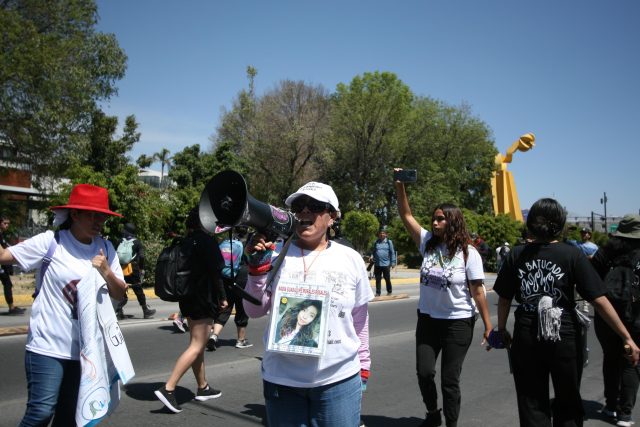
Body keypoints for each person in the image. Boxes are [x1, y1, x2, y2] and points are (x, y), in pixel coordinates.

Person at [492, 198, 640, 427]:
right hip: (565, 336)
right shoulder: (571, 255)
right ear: (560, 224)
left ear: (531, 223)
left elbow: (503, 299)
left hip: (527, 335)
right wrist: (626, 336)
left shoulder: (516, 255)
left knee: (531, 402)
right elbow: (598, 299)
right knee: (568, 401)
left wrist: (501, 330)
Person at [243, 181, 374, 427]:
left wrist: (364, 366)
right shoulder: (273, 254)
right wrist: (256, 270)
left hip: (339, 381)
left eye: (314, 206)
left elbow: (359, 318)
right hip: (282, 381)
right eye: (299, 206)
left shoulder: (351, 259)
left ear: (332, 217)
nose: (304, 211)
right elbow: (254, 310)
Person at [0, 183, 127, 426]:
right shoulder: (51, 242)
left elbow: (120, 293)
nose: (98, 221)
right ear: (75, 214)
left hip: (85, 350)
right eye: (92, 214)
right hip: (47, 345)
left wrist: (107, 271)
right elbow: (4, 257)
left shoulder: (106, 248)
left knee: (69, 416)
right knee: (41, 412)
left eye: (102, 216)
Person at [394, 171, 493, 427]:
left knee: (450, 380)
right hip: (428, 320)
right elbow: (406, 215)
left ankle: (451, 424)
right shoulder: (427, 242)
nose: (435, 223)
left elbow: (478, 291)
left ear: (453, 221)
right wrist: (399, 184)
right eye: (434, 219)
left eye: (440, 219)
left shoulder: (469, 253)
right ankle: (432, 413)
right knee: (424, 373)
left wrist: (488, 325)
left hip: (458, 323)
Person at [155, 207, 228, 413]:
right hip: (203, 298)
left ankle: (203, 387)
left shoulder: (185, 241)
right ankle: (168, 388)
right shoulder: (207, 242)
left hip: (187, 298)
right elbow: (216, 272)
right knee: (197, 344)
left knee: (197, 343)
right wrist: (222, 297)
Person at [590, 214, 640, 427]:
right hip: (636, 315)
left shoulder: (605, 252)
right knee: (631, 362)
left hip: (607, 316)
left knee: (610, 358)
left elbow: (591, 282)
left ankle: (610, 405)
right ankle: (625, 414)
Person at [207, 228, 253, 351]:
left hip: (226, 279)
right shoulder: (245, 245)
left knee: (225, 310)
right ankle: (241, 340)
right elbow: (249, 261)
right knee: (241, 310)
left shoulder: (225, 242)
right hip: (242, 282)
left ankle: (214, 336)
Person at [115, 222, 156, 319]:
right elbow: (141, 256)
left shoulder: (119, 241)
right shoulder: (137, 242)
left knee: (122, 289)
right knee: (138, 289)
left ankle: (119, 311)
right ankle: (145, 310)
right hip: (133, 269)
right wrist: (141, 268)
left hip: (120, 268)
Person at [568, 227, 599, 312]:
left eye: (585, 233)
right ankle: (576, 304)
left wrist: (590, 257)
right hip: (576, 269)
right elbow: (565, 240)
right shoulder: (575, 243)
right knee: (575, 288)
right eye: (582, 233)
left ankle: (586, 304)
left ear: (589, 235)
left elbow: (596, 257)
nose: (583, 234)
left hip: (587, 269)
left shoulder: (593, 246)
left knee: (585, 287)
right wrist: (567, 231)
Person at [0, 215, 25, 315]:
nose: (7, 225)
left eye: (8, 224)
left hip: (3, 266)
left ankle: (12, 307)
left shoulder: (1, 234)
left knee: (7, 284)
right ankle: (11, 307)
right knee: (7, 284)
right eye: (4, 223)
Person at [370, 226, 397, 296]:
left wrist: (393, 262)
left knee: (387, 278)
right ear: (379, 235)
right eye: (380, 233)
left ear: (386, 235)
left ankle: (389, 291)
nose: (382, 234)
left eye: (383, 233)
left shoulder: (389, 242)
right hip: (377, 264)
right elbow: (373, 252)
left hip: (386, 264)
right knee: (377, 279)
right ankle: (378, 293)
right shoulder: (376, 242)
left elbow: (392, 252)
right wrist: (371, 257)